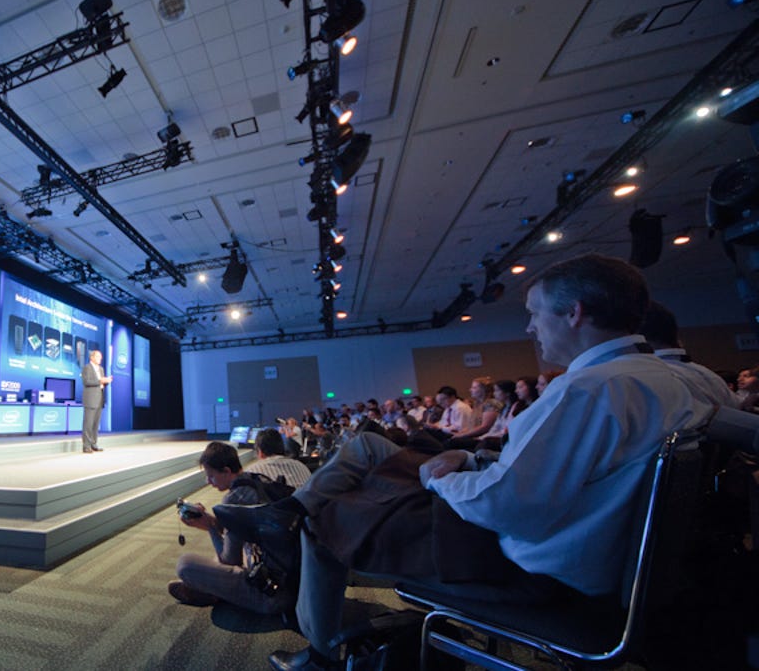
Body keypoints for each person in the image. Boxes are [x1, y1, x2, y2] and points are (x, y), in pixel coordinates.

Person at [219, 254, 713, 670]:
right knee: (371, 466)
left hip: (529, 568)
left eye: (535, 313)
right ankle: (290, 516)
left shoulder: (588, 390)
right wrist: (469, 457)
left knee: (323, 524)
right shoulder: (679, 380)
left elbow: (508, 506)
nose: (529, 326)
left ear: (575, 313)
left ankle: (322, 653)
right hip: (590, 554)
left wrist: (443, 479)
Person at [169, 433, 311, 613]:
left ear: (227, 471)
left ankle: (212, 590)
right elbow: (243, 529)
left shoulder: (233, 500)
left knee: (185, 565)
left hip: (273, 593)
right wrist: (214, 521)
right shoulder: (258, 481)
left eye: (211, 476)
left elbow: (229, 560)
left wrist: (211, 527)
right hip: (303, 580)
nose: (208, 482)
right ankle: (212, 587)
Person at [80, 349, 111, 452]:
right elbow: (86, 382)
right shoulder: (87, 368)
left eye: (100, 357)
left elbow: (101, 383)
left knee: (95, 424)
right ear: (92, 357)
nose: (100, 359)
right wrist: (100, 381)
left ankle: (94, 443)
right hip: (90, 399)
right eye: (98, 357)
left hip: (99, 399)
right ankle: (86, 446)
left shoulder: (101, 369)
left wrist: (107, 381)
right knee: (88, 424)